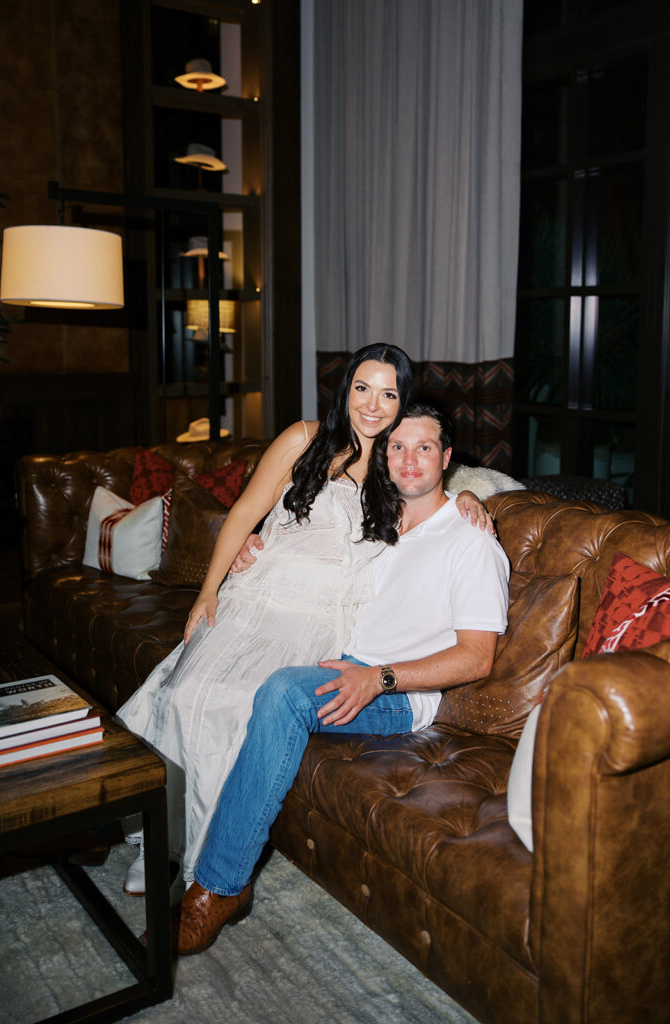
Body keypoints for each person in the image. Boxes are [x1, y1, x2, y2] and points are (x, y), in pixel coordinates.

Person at [116, 346, 490, 895]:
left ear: (402, 402)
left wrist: (472, 499)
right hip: (258, 596)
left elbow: (435, 490)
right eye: (363, 387)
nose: (373, 404)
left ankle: (202, 859)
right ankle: (161, 841)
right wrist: (207, 592)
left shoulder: (395, 464)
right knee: (183, 693)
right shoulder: (304, 438)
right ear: (345, 390)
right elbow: (246, 511)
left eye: (389, 393)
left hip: (326, 619)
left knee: (239, 708)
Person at [171, 402, 510, 955]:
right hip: (339, 655)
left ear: (447, 459)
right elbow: (305, 539)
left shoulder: (471, 542)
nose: (408, 460)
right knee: (219, 686)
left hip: (399, 693)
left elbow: (476, 659)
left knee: (282, 693)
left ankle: (219, 887)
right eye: (397, 447)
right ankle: (153, 829)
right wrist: (251, 548)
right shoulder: (381, 523)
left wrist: (378, 678)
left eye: (425, 448)